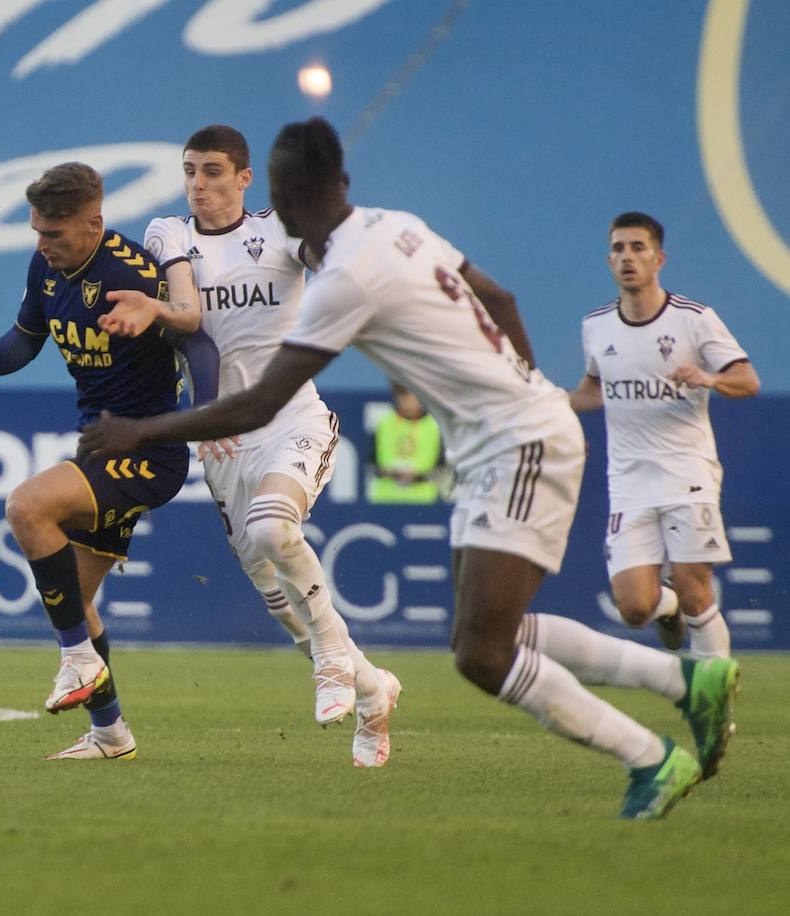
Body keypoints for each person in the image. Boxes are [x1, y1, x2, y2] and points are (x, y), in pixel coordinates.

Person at [79, 117, 741, 819]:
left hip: (516, 443)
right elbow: (503, 298)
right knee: (487, 636)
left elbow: (263, 402)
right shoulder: (399, 225)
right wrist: (528, 386)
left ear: (276, 195)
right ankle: (684, 684)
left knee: (481, 657)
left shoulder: (342, 282)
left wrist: (141, 429)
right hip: (503, 438)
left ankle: (651, 755)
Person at [98, 124, 398, 766]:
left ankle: (330, 663)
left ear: (244, 178)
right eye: (189, 172)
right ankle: (373, 690)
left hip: (292, 418)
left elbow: (341, 267)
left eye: (212, 172)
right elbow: (187, 313)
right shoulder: (168, 234)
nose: (198, 185)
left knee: (270, 531)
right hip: (222, 439)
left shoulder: (280, 233)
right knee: (274, 589)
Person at [0, 162, 219, 760]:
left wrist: (211, 416)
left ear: (94, 221)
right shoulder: (46, 266)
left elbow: (196, 338)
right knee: (78, 600)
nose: (43, 245)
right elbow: (27, 336)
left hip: (147, 450)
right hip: (97, 445)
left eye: (56, 233)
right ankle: (111, 733)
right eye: (38, 232)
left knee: (26, 506)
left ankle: (74, 661)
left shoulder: (133, 273)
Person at [570, 211, 759, 656]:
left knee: (697, 589)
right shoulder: (596, 326)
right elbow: (593, 391)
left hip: (687, 472)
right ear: (608, 260)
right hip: (629, 480)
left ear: (659, 258)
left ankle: (714, 708)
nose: (627, 257)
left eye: (638, 248)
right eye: (618, 248)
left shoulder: (694, 319)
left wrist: (709, 379)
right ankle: (666, 606)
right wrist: (542, 403)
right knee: (635, 607)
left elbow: (747, 381)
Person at [368, 382, 443, 505]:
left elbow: (442, 468)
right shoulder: (385, 422)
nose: (407, 402)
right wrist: (389, 472)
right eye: (403, 396)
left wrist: (418, 476)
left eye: (410, 396)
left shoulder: (433, 426)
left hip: (423, 501)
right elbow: (372, 463)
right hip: (386, 500)